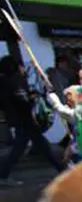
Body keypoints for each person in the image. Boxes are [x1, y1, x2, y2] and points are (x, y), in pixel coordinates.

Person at [0, 56, 66, 185]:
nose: (23, 68)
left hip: (19, 119)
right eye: (20, 65)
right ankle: (63, 172)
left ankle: (62, 171)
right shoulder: (15, 81)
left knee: (33, 146)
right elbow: (22, 100)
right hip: (25, 120)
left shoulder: (4, 81)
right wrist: (34, 97)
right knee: (33, 147)